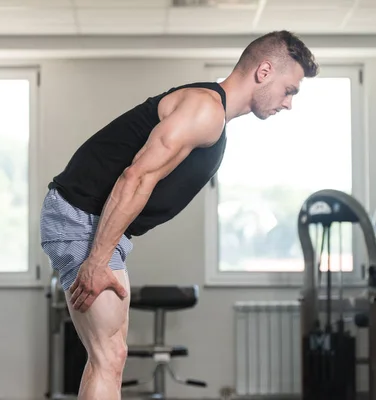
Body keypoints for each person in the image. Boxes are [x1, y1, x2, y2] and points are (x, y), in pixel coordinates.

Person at [40, 30, 319, 399]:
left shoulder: (212, 114)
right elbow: (136, 175)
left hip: (99, 223)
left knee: (110, 357)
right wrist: (97, 260)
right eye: (290, 90)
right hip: (82, 217)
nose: (289, 104)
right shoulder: (206, 110)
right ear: (264, 71)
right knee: (109, 356)